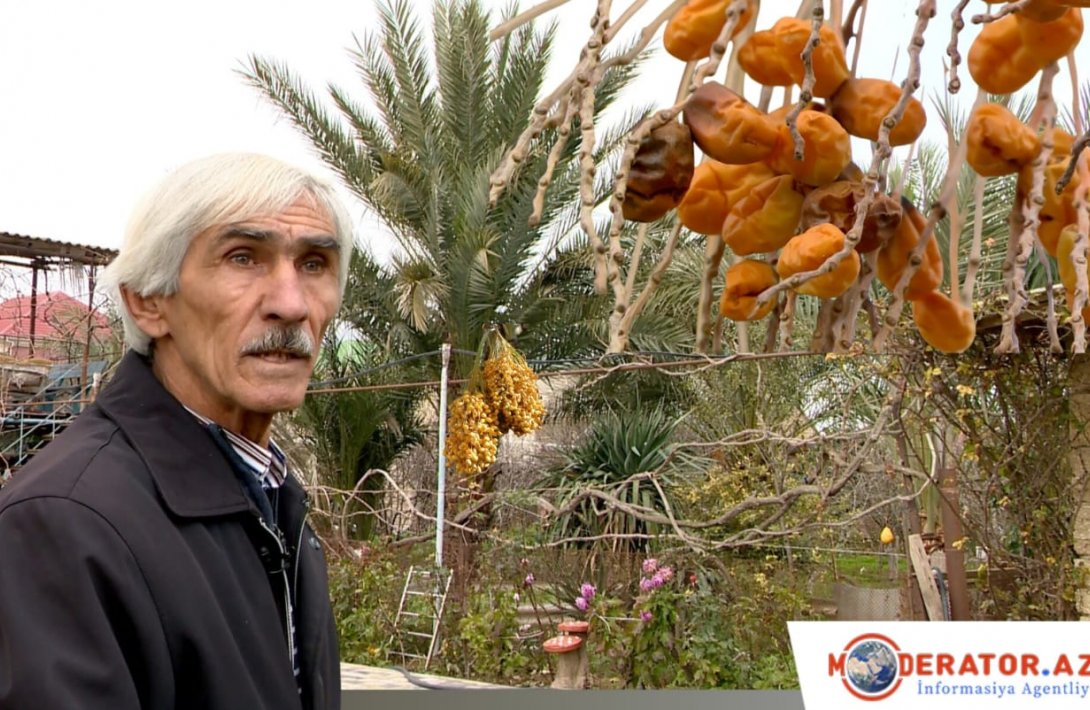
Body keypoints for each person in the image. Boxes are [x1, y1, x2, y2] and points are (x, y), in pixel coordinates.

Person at [0, 153, 352, 709]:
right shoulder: (64, 524)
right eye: (243, 258)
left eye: (313, 264)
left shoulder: (273, 498)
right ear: (147, 303)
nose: (291, 303)